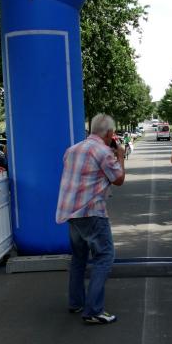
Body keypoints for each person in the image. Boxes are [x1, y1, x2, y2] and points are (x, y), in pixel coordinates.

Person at [55, 113, 125, 325]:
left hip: (70, 212)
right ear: (110, 133)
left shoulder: (72, 149)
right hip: (91, 211)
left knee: (79, 257)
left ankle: (76, 302)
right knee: (104, 256)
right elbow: (118, 179)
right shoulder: (103, 152)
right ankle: (94, 310)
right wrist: (121, 155)